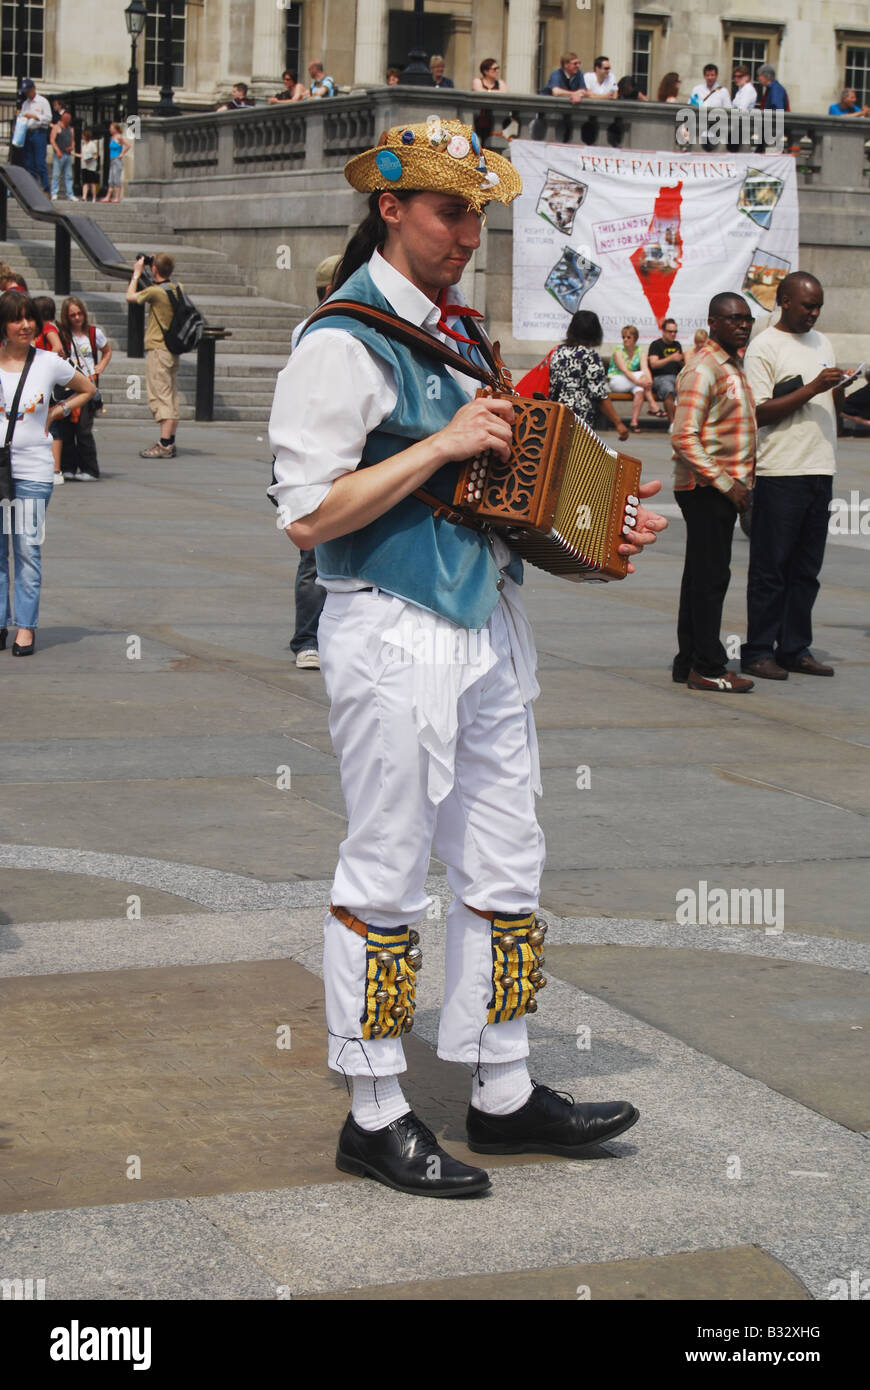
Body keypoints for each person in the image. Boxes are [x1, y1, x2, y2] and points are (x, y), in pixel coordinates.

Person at [267, 118, 665, 1198]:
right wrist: (442, 444)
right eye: (449, 212)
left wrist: (601, 534)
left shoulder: (460, 337)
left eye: (479, 213)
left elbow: (508, 500)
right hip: (390, 626)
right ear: (390, 208)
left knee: (506, 861)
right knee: (388, 868)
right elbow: (305, 514)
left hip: (486, 628)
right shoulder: (342, 340)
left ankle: (502, 1082)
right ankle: (376, 1104)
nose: (467, 234)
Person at [740, 272, 843, 681]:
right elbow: (758, 412)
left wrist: (848, 387)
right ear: (784, 301)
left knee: (806, 568)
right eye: (807, 306)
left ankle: (795, 647)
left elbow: (830, 399)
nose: (814, 314)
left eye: (818, 306)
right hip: (780, 469)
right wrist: (815, 386)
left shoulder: (823, 342)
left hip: (820, 465)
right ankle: (758, 650)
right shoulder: (764, 346)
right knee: (771, 568)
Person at [0, 290, 95, 655]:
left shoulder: (48, 362)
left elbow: (88, 388)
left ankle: (25, 627)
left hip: (34, 471)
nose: (25, 325)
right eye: (16, 318)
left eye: (30, 318)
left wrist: (57, 411)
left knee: (26, 548)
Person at [671, 294, 756, 692]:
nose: (742, 325)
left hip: (722, 487)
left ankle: (687, 660)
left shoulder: (732, 364)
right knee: (710, 580)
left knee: (701, 577)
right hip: (708, 488)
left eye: (747, 318)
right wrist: (728, 485)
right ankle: (708, 666)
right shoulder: (704, 367)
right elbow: (683, 437)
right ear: (713, 322)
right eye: (733, 319)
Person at [286, 253, 342, 670]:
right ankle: (307, 638)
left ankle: (325, 634)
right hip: (316, 456)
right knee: (314, 554)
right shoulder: (316, 330)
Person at [125, 252, 183, 459]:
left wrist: (136, 273)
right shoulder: (177, 288)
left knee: (160, 395)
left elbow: (130, 296)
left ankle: (164, 444)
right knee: (171, 394)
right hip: (171, 349)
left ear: (154, 269)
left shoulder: (156, 292)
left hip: (158, 348)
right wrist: (156, 265)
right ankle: (170, 440)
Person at [549, 312, 630, 441]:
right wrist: (618, 423)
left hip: (556, 413)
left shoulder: (558, 352)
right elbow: (600, 394)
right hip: (579, 417)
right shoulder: (590, 356)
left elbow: (553, 385)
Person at [58, 296, 111, 482]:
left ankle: (90, 469)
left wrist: (101, 367)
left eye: (79, 313)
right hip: (68, 385)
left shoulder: (94, 333)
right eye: (72, 315)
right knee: (66, 429)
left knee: (83, 429)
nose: (77, 317)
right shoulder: (62, 335)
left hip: (88, 384)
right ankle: (69, 467)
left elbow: (107, 350)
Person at [32, 296, 66, 485]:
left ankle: (56, 470)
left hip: (46, 384)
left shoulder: (47, 327)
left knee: (51, 426)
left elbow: (57, 347)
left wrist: (43, 363)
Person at [607, 324, 660, 431]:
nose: (625, 340)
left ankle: (634, 422)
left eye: (628, 337)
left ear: (635, 339)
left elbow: (645, 369)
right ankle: (652, 404)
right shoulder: (618, 351)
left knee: (640, 390)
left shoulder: (640, 352)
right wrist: (641, 381)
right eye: (623, 337)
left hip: (632, 381)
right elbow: (624, 370)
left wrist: (648, 382)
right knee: (640, 377)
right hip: (617, 380)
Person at [19, 78, 52, 193]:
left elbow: (48, 118)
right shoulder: (25, 104)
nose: (27, 93)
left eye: (28, 91)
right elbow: (23, 118)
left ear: (33, 89)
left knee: (40, 162)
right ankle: (33, 189)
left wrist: (34, 116)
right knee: (29, 163)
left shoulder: (42, 101)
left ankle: (46, 188)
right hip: (28, 133)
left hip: (39, 132)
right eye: (25, 92)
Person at [648, 319, 684, 422]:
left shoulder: (677, 345)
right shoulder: (655, 345)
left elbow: (681, 364)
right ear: (663, 331)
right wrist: (671, 358)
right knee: (668, 390)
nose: (673, 334)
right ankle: (672, 422)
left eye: (675, 332)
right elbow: (654, 364)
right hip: (660, 377)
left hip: (676, 377)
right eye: (670, 331)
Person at [49, 110, 77, 202]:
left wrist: (72, 147)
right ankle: (54, 193)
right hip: (59, 154)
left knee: (69, 175)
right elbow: (52, 140)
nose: (68, 120)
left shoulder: (70, 129)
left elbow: (73, 140)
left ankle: (70, 194)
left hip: (68, 154)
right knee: (56, 174)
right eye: (66, 118)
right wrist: (57, 151)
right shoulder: (57, 127)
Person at [100, 123, 131, 203]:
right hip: (112, 159)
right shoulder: (112, 137)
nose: (110, 129)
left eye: (111, 128)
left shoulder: (119, 137)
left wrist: (122, 154)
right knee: (111, 179)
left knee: (116, 178)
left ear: (115, 129)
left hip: (117, 160)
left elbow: (128, 145)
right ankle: (108, 196)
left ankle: (117, 197)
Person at [77, 127, 100, 201]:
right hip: (84, 166)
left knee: (92, 183)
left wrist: (90, 159)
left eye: (83, 135)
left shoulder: (92, 144)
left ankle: (94, 197)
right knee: (85, 182)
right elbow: (82, 155)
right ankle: (84, 196)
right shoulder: (84, 145)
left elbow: (95, 155)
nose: (82, 137)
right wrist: (73, 154)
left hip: (91, 166)